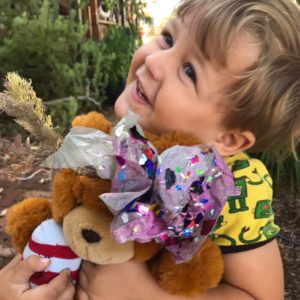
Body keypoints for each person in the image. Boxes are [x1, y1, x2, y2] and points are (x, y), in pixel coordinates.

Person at [1, 0, 299, 299]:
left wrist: (148, 294)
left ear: (229, 139)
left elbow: (262, 294)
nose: (156, 61)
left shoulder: (234, 187)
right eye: (168, 38)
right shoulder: (110, 141)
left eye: (190, 71)